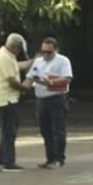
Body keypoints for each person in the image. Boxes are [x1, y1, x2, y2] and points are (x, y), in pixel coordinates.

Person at [26, 36, 72, 169]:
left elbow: (67, 78)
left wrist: (50, 82)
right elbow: (29, 78)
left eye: (49, 52)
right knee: (45, 130)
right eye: (43, 51)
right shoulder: (38, 61)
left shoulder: (63, 61)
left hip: (56, 97)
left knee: (58, 130)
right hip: (41, 98)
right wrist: (21, 88)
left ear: (56, 50)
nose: (45, 54)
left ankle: (59, 158)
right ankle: (50, 157)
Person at [0, 33, 33, 170]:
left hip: (4, 98)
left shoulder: (3, 54)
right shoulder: (5, 58)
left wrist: (33, 61)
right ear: (15, 47)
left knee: (8, 128)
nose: (19, 52)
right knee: (10, 130)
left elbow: (17, 65)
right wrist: (25, 86)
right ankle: (9, 162)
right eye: (19, 49)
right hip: (6, 98)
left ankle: (0, 157)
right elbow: (13, 82)